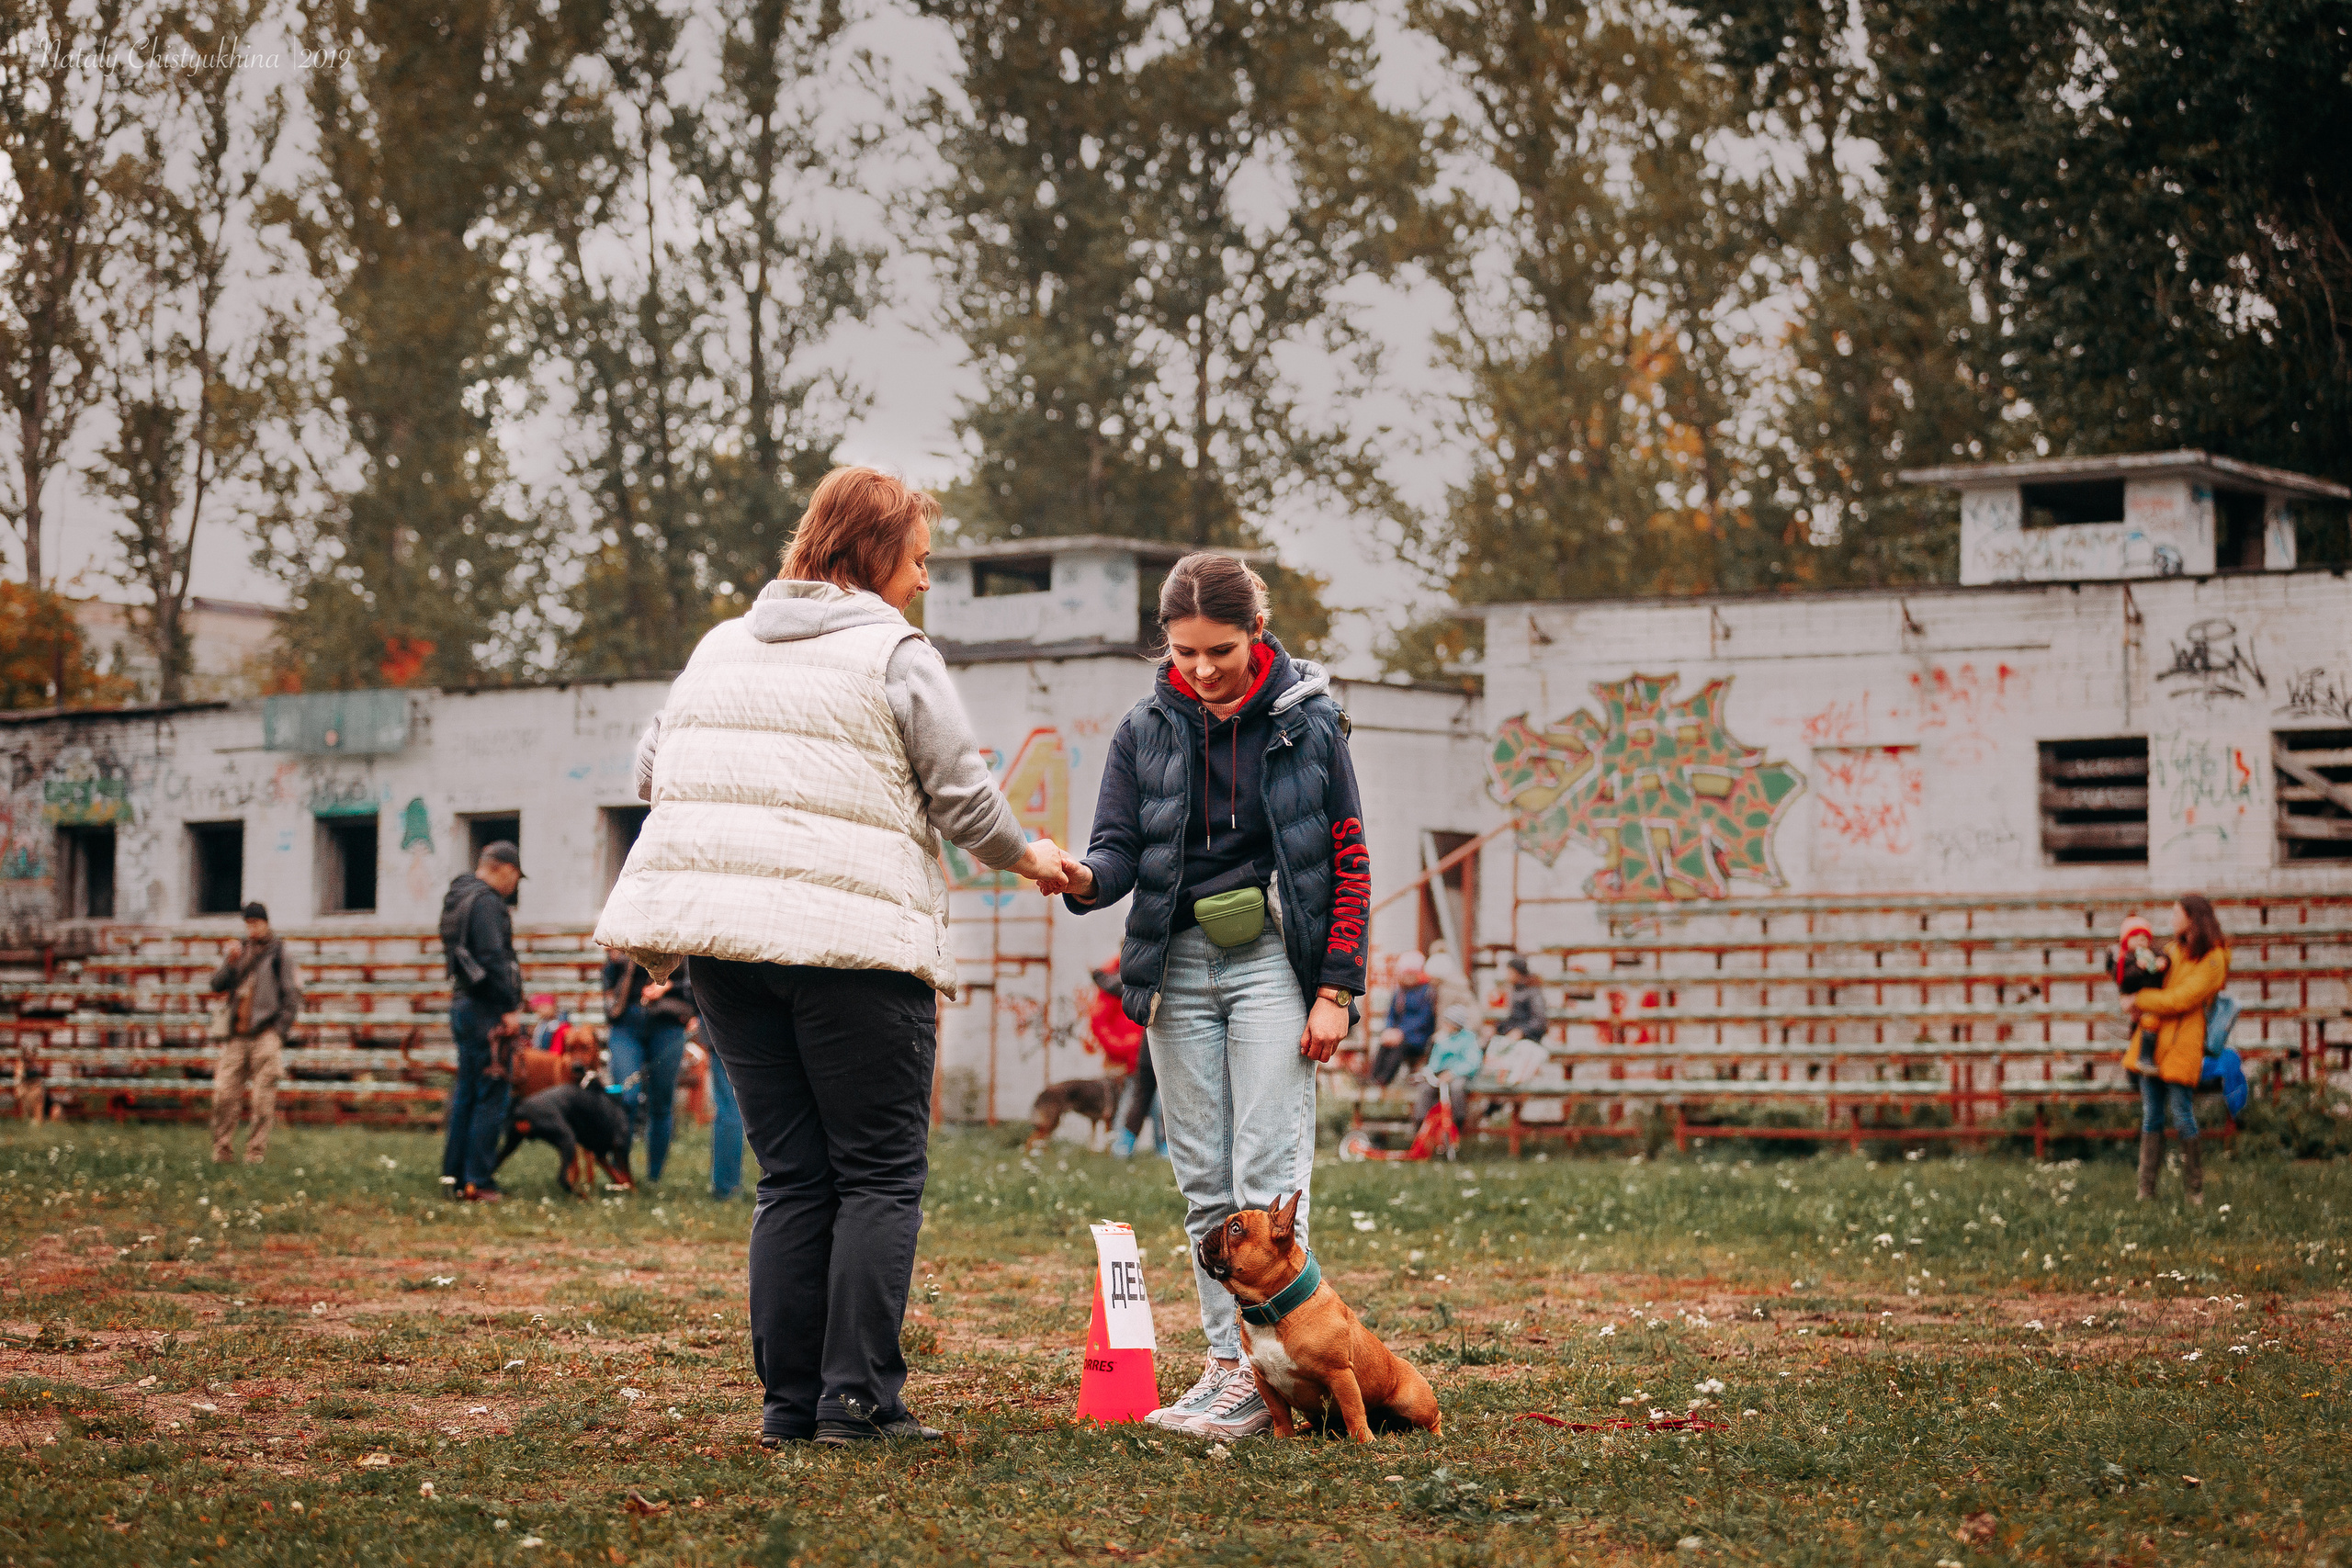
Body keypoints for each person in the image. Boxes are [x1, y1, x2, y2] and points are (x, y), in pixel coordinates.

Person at [594, 465, 1071, 1449]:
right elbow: (962, 797)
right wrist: (1034, 860)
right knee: (878, 1174)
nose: (925, 581)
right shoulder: (896, 653)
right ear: (874, 552)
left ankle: (788, 1407)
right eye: (920, 559)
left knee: (793, 1178)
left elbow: (650, 768)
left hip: (728, 949)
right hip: (854, 950)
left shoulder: (718, 647)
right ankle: (857, 1403)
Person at [1057, 550, 1369, 1441]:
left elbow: (1347, 860)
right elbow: (1116, 850)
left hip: (1272, 957)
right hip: (1175, 965)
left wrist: (1336, 989)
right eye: (1183, 651)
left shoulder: (1307, 726)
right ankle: (1231, 1368)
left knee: (1266, 1177)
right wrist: (1083, 878)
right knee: (1202, 1184)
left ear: (1256, 636)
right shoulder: (1143, 729)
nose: (1199, 670)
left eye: (1219, 651)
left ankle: (1285, 1366)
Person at [2121, 894, 2229, 1207]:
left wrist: (2138, 1000)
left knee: (2183, 1114)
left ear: (2192, 919)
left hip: (2182, 1044)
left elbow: (2182, 998)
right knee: (2151, 1115)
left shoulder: (2213, 959)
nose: (2170, 918)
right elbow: (2153, 982)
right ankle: (2146, 1190)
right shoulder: (2172, 950)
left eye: (2176, 913)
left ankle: (2195, 1191)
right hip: (2152, 1043)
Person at [441, 841, 526, 1203]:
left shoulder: (457, 897)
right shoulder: (488, 902)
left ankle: (456, 1175)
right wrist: (508, 1006)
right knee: (491, 1091)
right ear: (503, 868)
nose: (515, 885)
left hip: (463, 1001)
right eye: (516, 877)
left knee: (467, 1091)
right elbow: (493, 957)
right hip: (486, 1009)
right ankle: (479, 1181)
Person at [207, 902, 302, 1164]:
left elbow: (291, 997)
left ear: (265, 922)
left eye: (256, 922)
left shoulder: (279, 953)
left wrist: (278, 1031)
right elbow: (216, 985)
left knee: (263, 1099)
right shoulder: (239, 951)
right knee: (224, 1095)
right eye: (248, 923)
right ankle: (222, 1151)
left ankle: (255, 1154)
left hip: (265, 1034)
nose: (252, 928)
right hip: (237, 1034)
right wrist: (230, 962)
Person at [604, 951, 695, 1184]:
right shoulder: (628, 927)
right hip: (626, 1023)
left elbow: (694, 981)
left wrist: (668, 986)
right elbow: (608, 978)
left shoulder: (682, 929)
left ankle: (654, 1177)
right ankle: (619, 1172)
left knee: (661, 1103)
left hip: (668, 1024)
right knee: (626, 1097)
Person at [1415, 1004, 1484, 1135]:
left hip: (1459, 1074)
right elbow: (1435, 1059)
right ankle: (1420, 1124)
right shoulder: (1442, 1037)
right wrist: (1429, 1071)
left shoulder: (1468, 1038)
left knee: (1456, 1089)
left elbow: (1472, 1062)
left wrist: (1453, 1073)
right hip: (1440, 1073)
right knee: (1426, 1089)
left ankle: (1458, 1122)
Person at [1374, 951, 1435, 1088]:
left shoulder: (1427, 992)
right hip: (1397, 1034)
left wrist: (1401, 1033)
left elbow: (1424, 1019)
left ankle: (1384, 1080)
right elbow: (1391, 1014)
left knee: (1398, 1048)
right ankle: (1374, 1079)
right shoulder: (1399, 991)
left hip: (1418, 1037)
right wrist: (1389, 1030)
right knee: (1384, 1045)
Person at [1499, 954, 1549, 1043]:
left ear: (1516, 973)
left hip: (1529, 1039)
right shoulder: (1515, 990)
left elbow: (1539, 1020)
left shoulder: (1533, 991)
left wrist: (1521, 1031)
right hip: (1514, 1036)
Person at [2114, 917, 2168, 995]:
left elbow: (2165, 956)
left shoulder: (2152, 952)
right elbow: (2122, 979)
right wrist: (2138, 968)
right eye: (2135, 936)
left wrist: (2163, 961)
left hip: (2153, 993)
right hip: (2133, 994)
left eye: (2144, 937)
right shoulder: (2123, 958)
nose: (2140, 940)